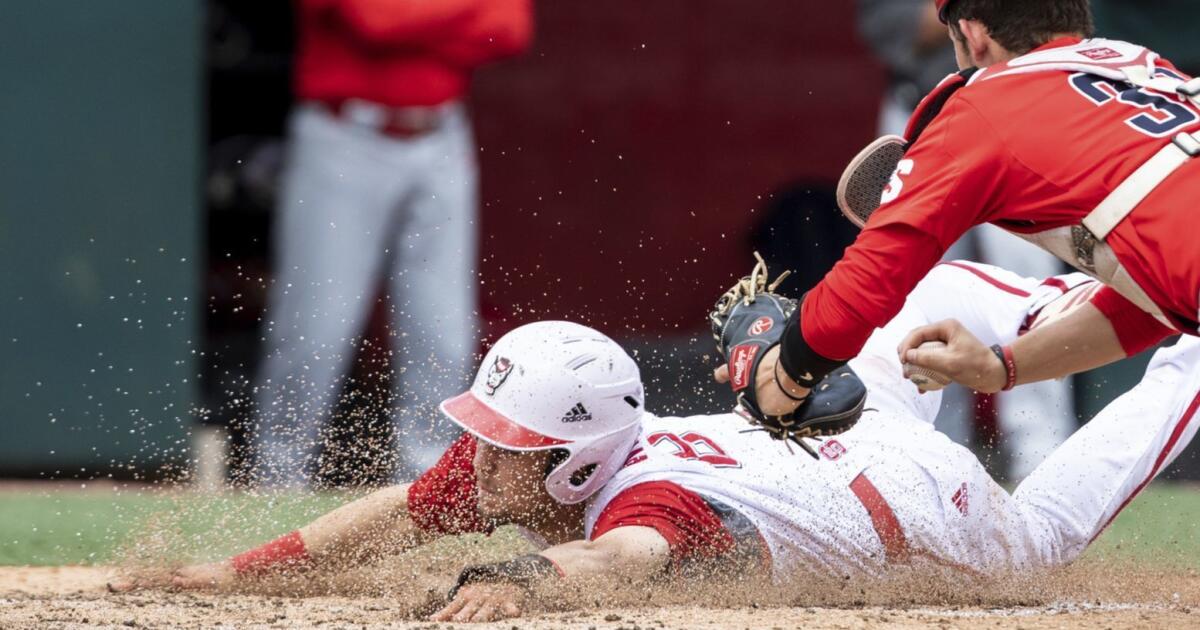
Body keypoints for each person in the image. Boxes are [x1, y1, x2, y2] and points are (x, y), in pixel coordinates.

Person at [115, 265, 1200, 622]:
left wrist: (522, 578)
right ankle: (1106, 282)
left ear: (572, 456)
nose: (484, 461)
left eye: (509, 445)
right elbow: (392, 512)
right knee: (932, 289)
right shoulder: (544, 459)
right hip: (833, 438)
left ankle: (1170, 327)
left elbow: (622, 559)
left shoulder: (649, 507)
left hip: (933, 510)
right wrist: (224, 573)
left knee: (1058, 516)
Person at [743, 0, 1199, 426]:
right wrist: (1003, 367)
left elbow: (862, 288)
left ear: (972, 33)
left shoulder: (983, 105)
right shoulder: (1145, 64)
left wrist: (785, 372)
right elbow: (1149, 299)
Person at [252, 0, 534, 486]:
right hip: (346, 138)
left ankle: (428, 488)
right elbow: (378, 20)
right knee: (315, 330)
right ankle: (276, 480)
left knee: (443, 331)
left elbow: (511, 28)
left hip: (443, 135)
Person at [857, 0, 1076, 479]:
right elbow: (902, 31)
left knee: (1029, 292)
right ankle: (932, 462)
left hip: (1023, 113)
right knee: (916, 292)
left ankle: (1045, 463)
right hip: (921, 112)